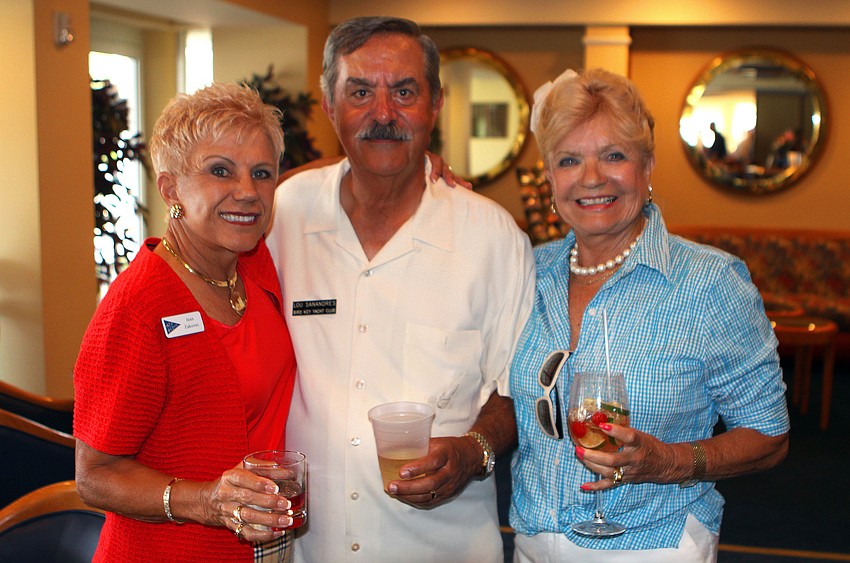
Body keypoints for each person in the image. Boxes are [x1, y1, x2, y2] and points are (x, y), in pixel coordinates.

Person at [265, 16, 535, 563]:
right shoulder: (281, 218)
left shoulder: (491, 237)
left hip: (443, 548)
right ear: (329, 104)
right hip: (306, 550)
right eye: (360, 91)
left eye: (404, 92)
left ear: (435, 103)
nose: (383, 113)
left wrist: (472, 450)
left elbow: (517, 389)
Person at [509, 68, 790, 562]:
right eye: (569, 160)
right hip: (533, 541)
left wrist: (670, 461)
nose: (592, 177)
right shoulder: (527, 272)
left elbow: (769, 437)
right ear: (550, 176)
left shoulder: (710, 282)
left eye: (614, 155)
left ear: (648, 165)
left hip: (653, 546)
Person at [74, 83, 299, 562]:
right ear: (171, 187)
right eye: (220, 170)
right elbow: (93, 474)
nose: (248, 191)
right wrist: (206, 502)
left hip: (263, 545)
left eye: (262, 173)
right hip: (171, 551)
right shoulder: (138, 305)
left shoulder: (252, 265)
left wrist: (413, 169)